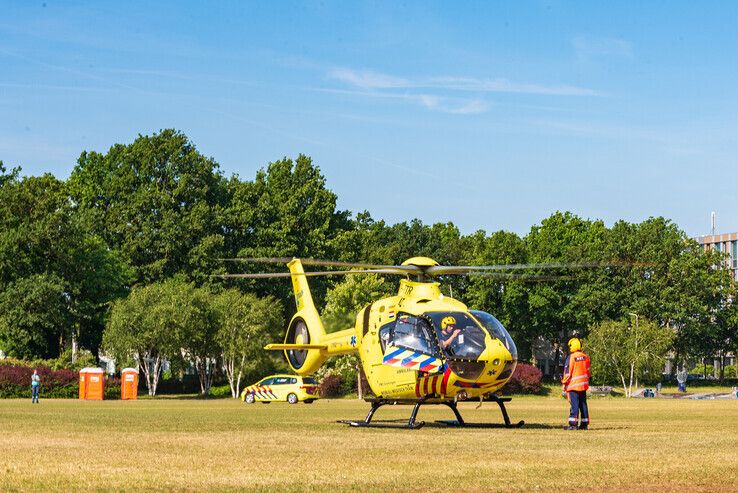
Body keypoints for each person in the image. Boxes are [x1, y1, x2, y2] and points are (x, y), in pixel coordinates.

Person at [561, 337, 590, 430]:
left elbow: (567, 372)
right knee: (583, 404)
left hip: (573, 386)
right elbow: (588, 372)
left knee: (574, 405)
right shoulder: (585, 357)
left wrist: (564, 383)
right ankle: (584, 424)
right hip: (583, 385)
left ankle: (573, 424)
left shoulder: (571, 357)